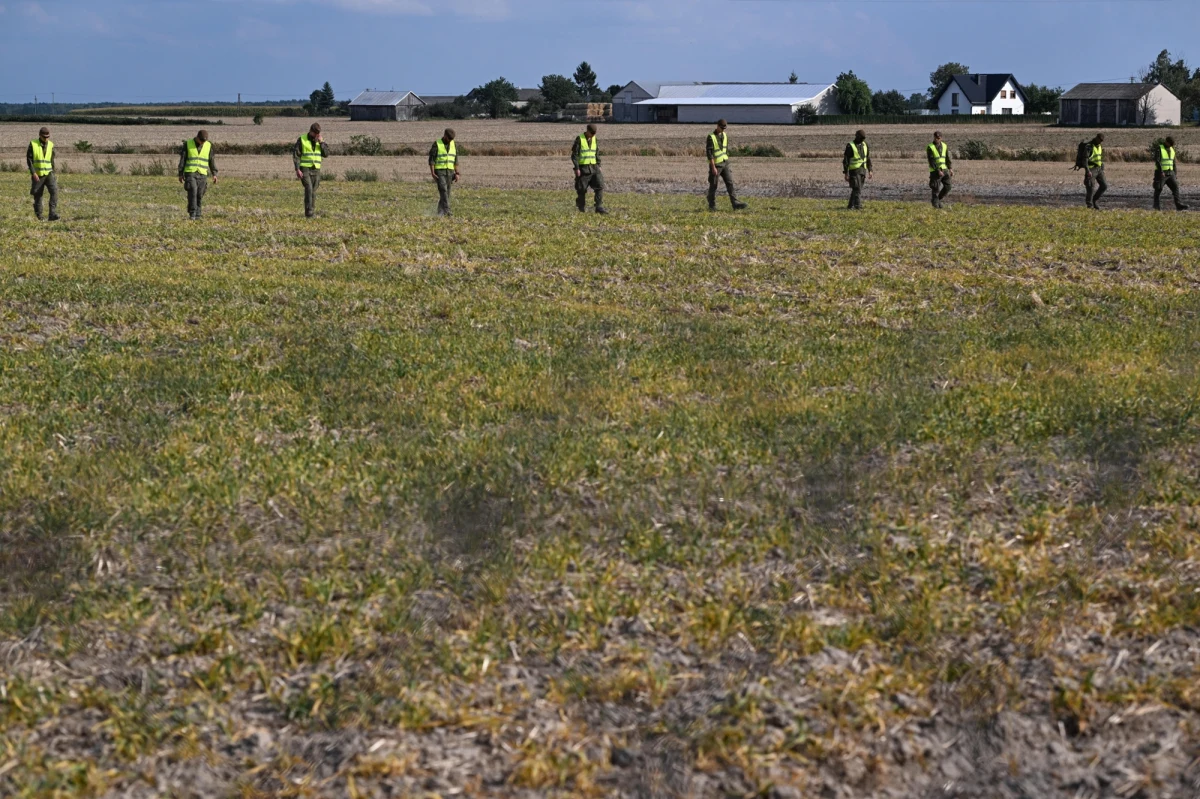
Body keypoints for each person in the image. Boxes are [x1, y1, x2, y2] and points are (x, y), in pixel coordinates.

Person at [706, 119, 748, 212]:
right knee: (713, 185)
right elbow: (710, 154)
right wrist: (713, 167)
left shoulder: (725, 136)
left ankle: (735, 204)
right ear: (717, 126)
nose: (723, 130)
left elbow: (725, 150)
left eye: (725, 128)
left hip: (725, 163)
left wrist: (728, 163)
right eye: (722, 128)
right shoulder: (711, 137)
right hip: (716, 165)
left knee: (730, 183)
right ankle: (711, 205)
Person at [178, 129, 217, 219]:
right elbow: (183, 159)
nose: (203, 143)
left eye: (204, 141)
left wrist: (214, 173)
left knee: (199, 194)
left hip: (202, 173)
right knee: (193, 191)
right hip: (190, 172)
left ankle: (198, 214)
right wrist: (180, 173)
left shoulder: (208, 145)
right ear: (197, 138)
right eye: (201, 141)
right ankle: (192, 214)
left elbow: (211, 160)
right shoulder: (188, 144)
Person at [293, 123, 328, 218]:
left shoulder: (320, 141)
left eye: (318, 134)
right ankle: (309, 213)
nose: (317, 135)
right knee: (308, 189)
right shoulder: (302, 139)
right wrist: (297, 169)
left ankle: (311, 210)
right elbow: (296, 155)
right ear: (311, 131)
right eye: (315, 133)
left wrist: (321, 143)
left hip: (316, 169)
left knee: (313, 191)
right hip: (305, 168)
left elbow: (326, 154)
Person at [572, 124, 607, 214]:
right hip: (583, 168)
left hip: (594, 167)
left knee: (600, 186)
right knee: (581, 189)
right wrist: (577, 168)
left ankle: (598, 207)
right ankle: (581, 208)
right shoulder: (580, 139)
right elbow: (574, 155)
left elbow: (597, 152)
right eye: (591, 133)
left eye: (594, 133)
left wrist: (599, 165)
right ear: (587, 131)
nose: (593, 135)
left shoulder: (595, 139)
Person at [27, 127, 59, 221]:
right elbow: (29, 160)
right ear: (40, 135)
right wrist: (33, 173)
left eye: (48, 137)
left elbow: (51, 160)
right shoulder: (33, 144)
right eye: (44, 137)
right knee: (38, 195)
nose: (46, 139)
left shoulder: (51, 145)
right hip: (38, 174)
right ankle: (39, 215)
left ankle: (52, 214)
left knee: (54, 192)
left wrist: (53, 172)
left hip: (49, 173)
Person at [429, 128, 460, 217]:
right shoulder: (437, 144)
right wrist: (432, 173)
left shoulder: (453, 144)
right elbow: (431, 160)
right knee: (443, 190)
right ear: (445, 136)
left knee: (447, 194)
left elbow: (456, 159)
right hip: (440, 172)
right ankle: (447, 211)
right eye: (449, 139)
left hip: (450, 172)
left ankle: (439, 212)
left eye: (451, 139)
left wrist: (457, 173)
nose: (450, 141)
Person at [1153, 136, 1189, 212]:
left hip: (1170, 173)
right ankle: (1156, 207)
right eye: (1170, 144)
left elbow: (1173, 162)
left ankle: (1179, 205)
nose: (1171, 146)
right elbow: (1157, 161)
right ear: (1166, 142)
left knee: (1175, 188)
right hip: (1161, 173)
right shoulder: (1160, 148)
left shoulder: (1172, 149)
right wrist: (1161, 171)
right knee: (1158, 189)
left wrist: (1175, 174)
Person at [843, 129, 872, 210]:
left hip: (863, 170)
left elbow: (868, 158)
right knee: (857, 188)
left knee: (857, 189)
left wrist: (870, 170)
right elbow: (846, 160)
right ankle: (858, 207)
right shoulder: (850, 146)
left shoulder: (865, 144)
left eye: (863, 139)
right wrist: (846, 173)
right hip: (854, 171)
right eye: (861, 138)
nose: (862, 140)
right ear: (857, 137)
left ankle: (850, 206)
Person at [927, 131, 952, 209]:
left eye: (938, 138)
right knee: (935, 188)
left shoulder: (944, 146)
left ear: (941, 138)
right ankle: (935, 206)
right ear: (934, 137)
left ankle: (937, 200)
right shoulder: (930, 147)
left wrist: (950, 168)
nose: (937, 139)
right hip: (935, 171)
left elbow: (948, 158)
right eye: (935, 137)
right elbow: (932, 161)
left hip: (945, 170)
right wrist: (938, 170)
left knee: (948, 186)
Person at [1083, 133, 1106, 210]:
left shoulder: (1099, 146)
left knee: (1104, 186)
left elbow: (1100, 158)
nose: (1100, 142)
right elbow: (1085, 159)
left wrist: (1102, 168)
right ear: (1096, 138)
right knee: (1090, 187)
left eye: (1102, 141)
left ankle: (1094, 200)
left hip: (1099, 169)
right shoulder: (1089, 146)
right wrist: (1087, 171)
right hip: (1091, 169)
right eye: (1100, 140)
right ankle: (1090, 205)